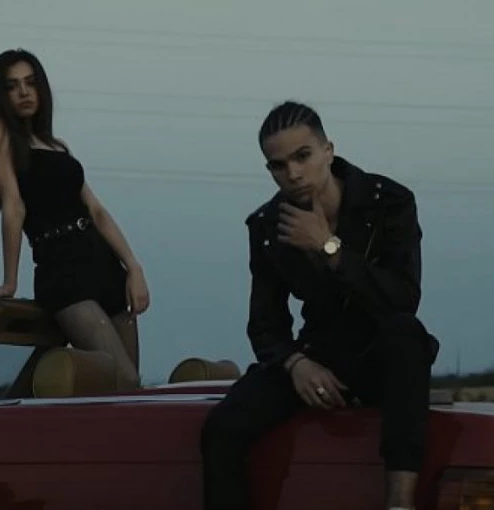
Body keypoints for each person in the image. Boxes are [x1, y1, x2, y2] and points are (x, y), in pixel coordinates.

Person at [200, 100, 439, 510]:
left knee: (406, 334)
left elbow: (403, 298)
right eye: (278, 165)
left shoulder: (389, 201)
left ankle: (400, 504)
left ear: (328, 151)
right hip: (317, 354)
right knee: (222, 428)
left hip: (382, 352)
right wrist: (296, 364)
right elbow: (265, 324)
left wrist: (329, 248)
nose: (293, 174)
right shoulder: (268, 225)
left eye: (303, 156)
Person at [0, 49, 149, 390]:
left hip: (105, 265)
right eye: (12, 86)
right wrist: (9, 282)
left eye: (31, 83)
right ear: (1, 95)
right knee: (122, 378)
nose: (24, 92)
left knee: (129, 393)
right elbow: (14, 206)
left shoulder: (57, 145)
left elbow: (97, 211)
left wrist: (134, 268)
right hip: (62, 271)